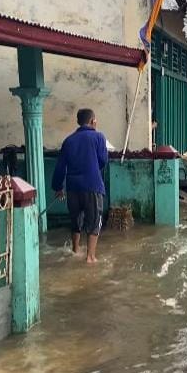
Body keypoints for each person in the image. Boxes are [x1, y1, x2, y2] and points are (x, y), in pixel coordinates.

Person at [52, 108, 108, 263]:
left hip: (73, 188)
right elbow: (103, 161)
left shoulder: (68, 141)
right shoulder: (98, 137)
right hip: (92, 186)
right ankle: (90, 257)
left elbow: (60, 167)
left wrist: (58, 187)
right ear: (92, 121)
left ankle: (75, 250)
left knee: (75, 220)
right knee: (94, 220)